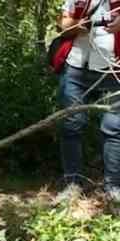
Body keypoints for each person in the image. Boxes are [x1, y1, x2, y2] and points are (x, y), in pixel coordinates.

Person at [54, 0, 120, 204]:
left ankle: (114, 189)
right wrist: (75, 25)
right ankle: (72, 184)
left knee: (114, 128)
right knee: (71, 125)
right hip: (75, 66)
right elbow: (63, 24)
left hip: (113, 70)